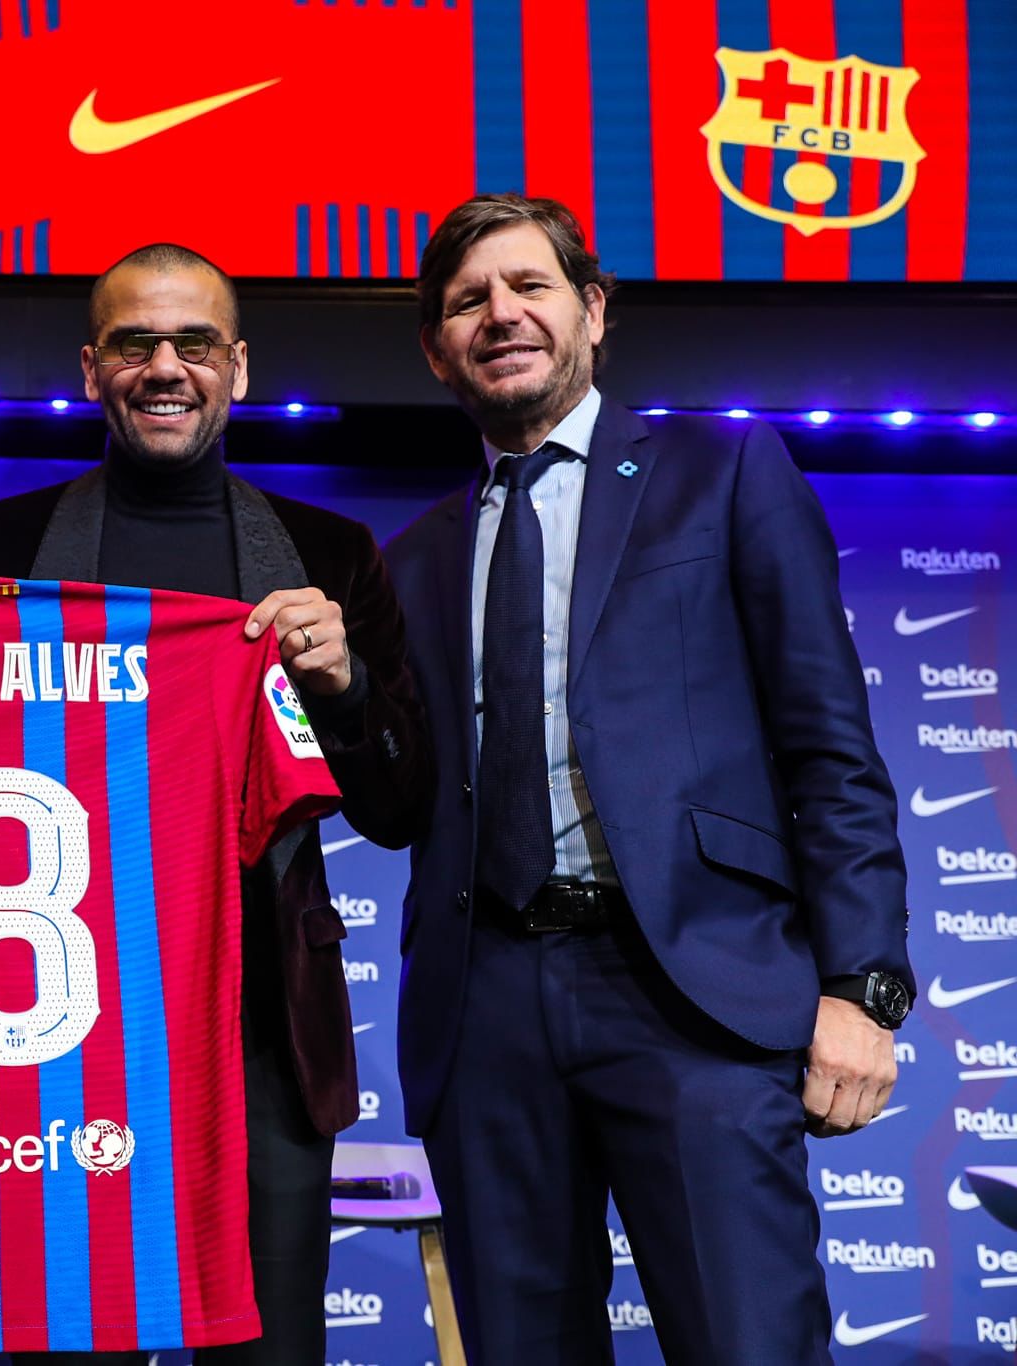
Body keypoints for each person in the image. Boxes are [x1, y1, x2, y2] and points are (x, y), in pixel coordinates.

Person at [385, 194, 913, 1363]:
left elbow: (829, 746)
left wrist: (862, 984)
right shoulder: (411, 557)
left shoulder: (719, 471)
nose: (500, 315)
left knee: (747, 1343)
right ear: (435, 349)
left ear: (592, 310)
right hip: (486, 1010)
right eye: (466, 301)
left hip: (693, 993)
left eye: (527, 287)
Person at [0, 243, 431, 1365]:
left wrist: (346, 685)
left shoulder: (329, 553)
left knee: (266, 1349)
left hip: (262, 1027)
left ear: (239, 368)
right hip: (50, 1027)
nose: (164, 367)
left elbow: (400, 803)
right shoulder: (0, 550)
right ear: (89, 367)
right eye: (133, 342)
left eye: (193, 343)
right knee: (56, 1336)